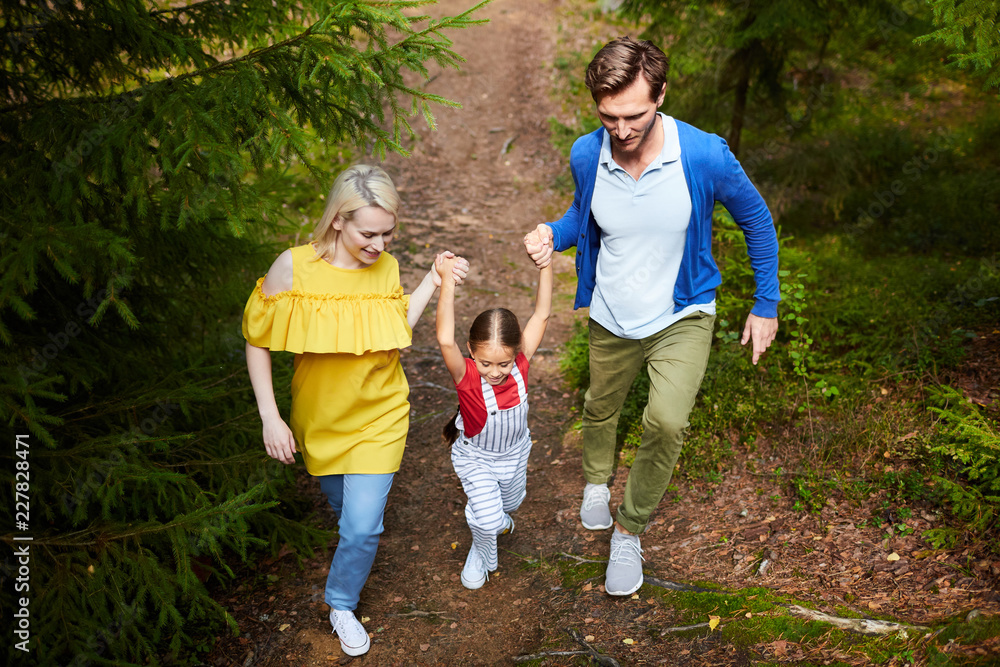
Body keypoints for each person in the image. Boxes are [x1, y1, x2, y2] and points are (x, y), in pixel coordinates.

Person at [524, 37, 780, 597]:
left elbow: (757, 221)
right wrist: (553, 234)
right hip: (612, 312)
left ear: (661, 94)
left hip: (682, 313)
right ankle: (596, 480)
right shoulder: (587, 153)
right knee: (599, 405)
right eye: (608, 116)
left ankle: (628, 529)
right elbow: (581, 217)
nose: (621, 129)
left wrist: (766, 304)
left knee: (665, 422)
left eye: (634, 115)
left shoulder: (703, 154)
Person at [242, 164, 468, 656]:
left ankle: (341, 603)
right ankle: (353, 553)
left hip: (380, 415)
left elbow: (393, 329)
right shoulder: (294, 268)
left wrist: (430, 280)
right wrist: (269, 415)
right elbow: (257, 340)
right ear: (338, 221)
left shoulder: (384, 268)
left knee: (363, 526)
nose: (380, 246)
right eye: (369, 233)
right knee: (349, 516)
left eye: (388, 233)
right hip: (319, 421)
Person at [435, 252, 553, 589]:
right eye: (486, 363)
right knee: (488, 518)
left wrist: (545, 264)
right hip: (477, 458)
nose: (496, 372)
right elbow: (445, 338)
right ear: (472, 351)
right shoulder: (467, 375)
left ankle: (490, 523)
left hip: (515, 454)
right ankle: (481, 549)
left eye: (503, 364)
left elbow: (542, 313)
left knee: (509, 507)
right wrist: (447, 280)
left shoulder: (521, 364)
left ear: (516, 353)